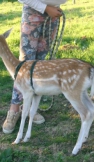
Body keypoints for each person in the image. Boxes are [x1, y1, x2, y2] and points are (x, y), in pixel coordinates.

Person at [2, 0, 67, 134]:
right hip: (34, 12)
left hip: (53, 14)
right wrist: (45, 7)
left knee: (40, 63)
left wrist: (52, 8)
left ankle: (31, 107)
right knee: (24, 66)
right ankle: (14, 109)